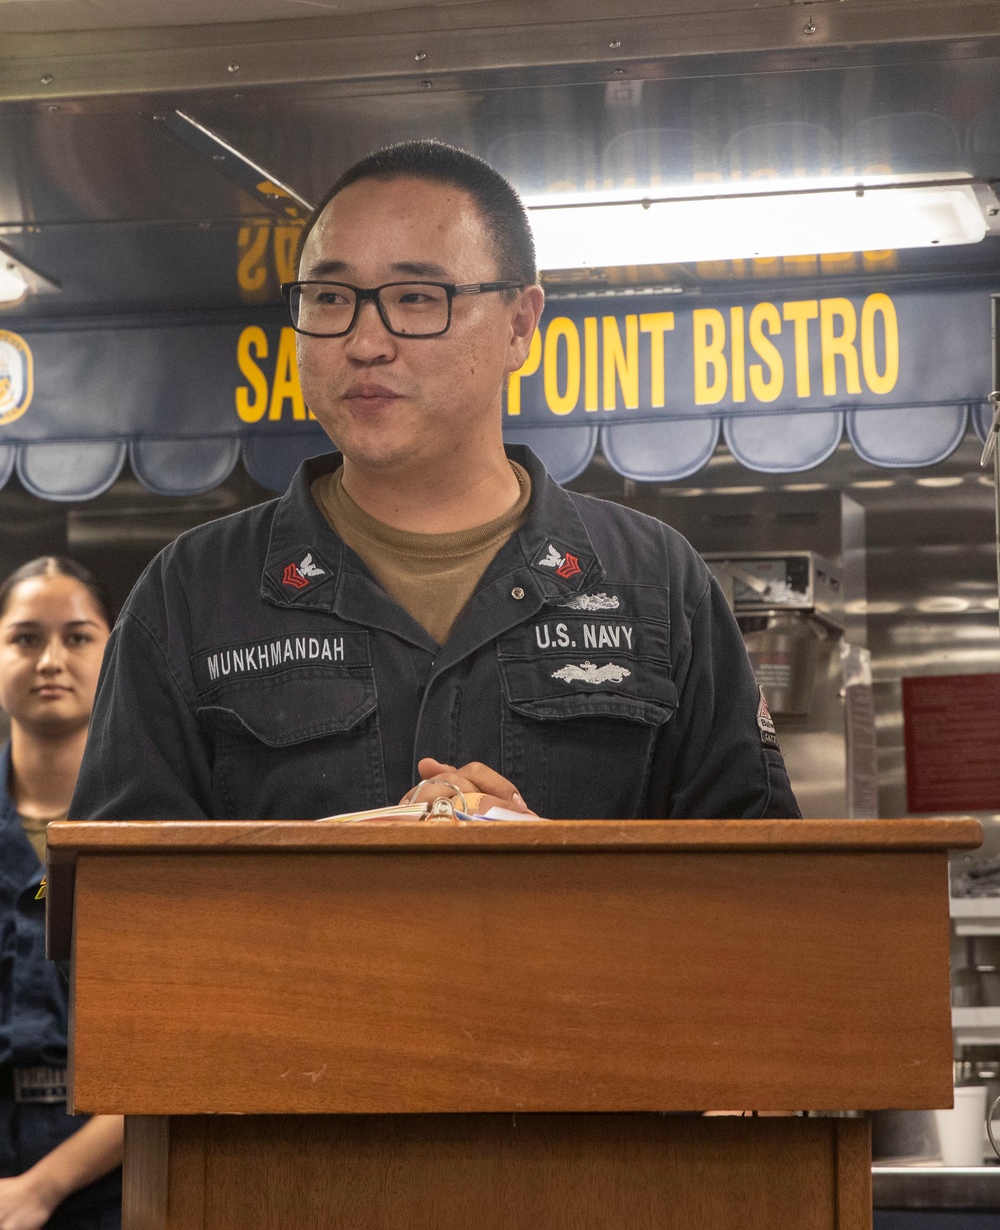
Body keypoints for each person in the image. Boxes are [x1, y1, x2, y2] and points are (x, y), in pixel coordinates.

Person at [69, 140, 799, 823]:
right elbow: (113, 918)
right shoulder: (193, 595)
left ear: (520, 325)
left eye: (417, 297)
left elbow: (767, 900)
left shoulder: (658, 584)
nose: (363, 341)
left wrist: (561, 873)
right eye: (329, 299)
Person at [0, 557, 122, 1230]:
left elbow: (175, 1054)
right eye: (24, 637)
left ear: (115, 650)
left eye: (77, 637)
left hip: (117, 1187)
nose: (50, 659)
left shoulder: (150, 830)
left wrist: (41, 1189)